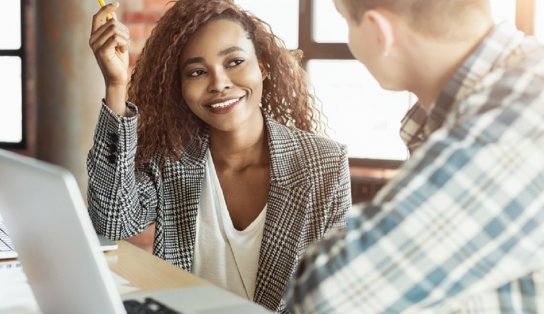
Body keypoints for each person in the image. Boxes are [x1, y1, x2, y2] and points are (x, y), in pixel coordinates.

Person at [87, 0, 351, 312]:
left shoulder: (324, 164)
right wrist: (116, 84)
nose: (219, 84)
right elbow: (112, 222)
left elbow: (337, 294)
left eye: (234, 62)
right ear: (180, 87)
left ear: (262, 65)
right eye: (197, 72)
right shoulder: (172, 158)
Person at [287, 0, 544, 313]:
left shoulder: (518, 124)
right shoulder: (511, 89)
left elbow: (328, 295)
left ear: (378, 30)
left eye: (345, 21)